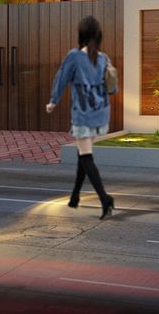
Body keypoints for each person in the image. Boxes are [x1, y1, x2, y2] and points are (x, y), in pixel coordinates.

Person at [46, 15, 114, 219]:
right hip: (101, 114)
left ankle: (105, 199)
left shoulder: (74, 56)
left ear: (81, 35)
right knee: (82, 154)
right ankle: (75, 197)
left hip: (84, 115)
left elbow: (61, 78)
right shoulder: (104, 58)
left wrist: (53, 101)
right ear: (98, 36)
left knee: (86, 156)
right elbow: (113, 87)